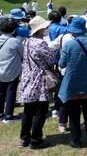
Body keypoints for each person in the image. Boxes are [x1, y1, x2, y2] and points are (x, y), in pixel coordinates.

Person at [58, 17, 87, 148]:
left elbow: (62, 64)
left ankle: (76, 140)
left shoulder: (69, 45)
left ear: (73, 31)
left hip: (72, 83)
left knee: (74, 113)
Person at [18, 16, 56, 149]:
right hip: (39, 78)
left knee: (28, 109)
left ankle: (24, 138)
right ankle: (35, 140)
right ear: (39, 29)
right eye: (44, 27)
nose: (46, 29)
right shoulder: (40, 43)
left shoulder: (26, 41)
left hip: (28, 76)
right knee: (41, 109)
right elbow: (51, 60)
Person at [0, 17, 24, 123]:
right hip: (12, 71)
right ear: (14, 29)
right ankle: (9, 116)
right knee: (11, 92)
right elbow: (22, 54)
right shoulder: (15, 41)